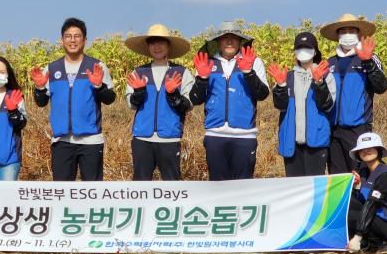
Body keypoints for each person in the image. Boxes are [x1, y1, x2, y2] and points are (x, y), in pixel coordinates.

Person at [31, 17, 116, 181]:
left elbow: (109, 99)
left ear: (84, 40)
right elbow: (41, 103)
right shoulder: (51, 69)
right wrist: (40, 88)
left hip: (91, 141)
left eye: (77, 36)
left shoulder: (97, 67)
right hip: (61, 141)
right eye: (68, 36)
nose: (72, 40)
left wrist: (99, 86)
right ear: (62, 40)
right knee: (62, 191)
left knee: (92, 191)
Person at [189, 22, 269, 181]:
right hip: (215, 135)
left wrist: (248, 72)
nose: (230, 41)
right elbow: (195, 99)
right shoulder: (207, 63)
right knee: (218, 188)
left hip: (245, 136)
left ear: (240, 41)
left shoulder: (254, 62)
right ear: (218, 41)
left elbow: (262, 94)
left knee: (243, 187)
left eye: (234, 38)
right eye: (225, 38)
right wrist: (202, 78)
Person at [320, 14, 387, 174]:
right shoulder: (330, 63)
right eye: (343, 31)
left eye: (351, 30)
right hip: (333, 130)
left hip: (358, 127)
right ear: (337, 35)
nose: (347, 34)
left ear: (358, 34)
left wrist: (368, 62)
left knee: (360, 173)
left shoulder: (369, 58)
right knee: (338, 177)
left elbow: (381, 87)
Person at [124, 24, 194, 181]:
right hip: (142, 139)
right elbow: (131, 104)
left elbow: (189, 105)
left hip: (170, 138)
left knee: (171, 185)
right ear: (148, 46)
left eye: (161, 42)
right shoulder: (138, 72)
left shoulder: (182, 73)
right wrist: (139, 92)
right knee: (140, 186)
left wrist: (173, 94)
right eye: (152, 43)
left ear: (168, 46)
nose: (157, 47)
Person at [269, 32, 336, 177]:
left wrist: (320, 83)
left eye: (307, 47)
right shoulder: (287, 77)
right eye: (299, 47)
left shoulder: (325, 75)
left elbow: (328, 106)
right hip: (291, 142)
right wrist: (281, 86)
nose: (303, 51)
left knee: (314, 186)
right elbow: (280, 106)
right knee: (295, 186)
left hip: (316, 141)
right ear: (294, 51)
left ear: (315, 51)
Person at [347, 132, 387, 253]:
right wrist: (356, 187)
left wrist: (358, 236)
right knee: (346, 206)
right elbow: (359, 202)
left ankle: (382, 242)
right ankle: (371, 241)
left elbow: (371, 204)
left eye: (370, 148)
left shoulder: (386, 175)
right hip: (377, 221)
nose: (366, 151)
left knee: (352, 215)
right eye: (362, 149)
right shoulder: (363, 173)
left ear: (378, 150)